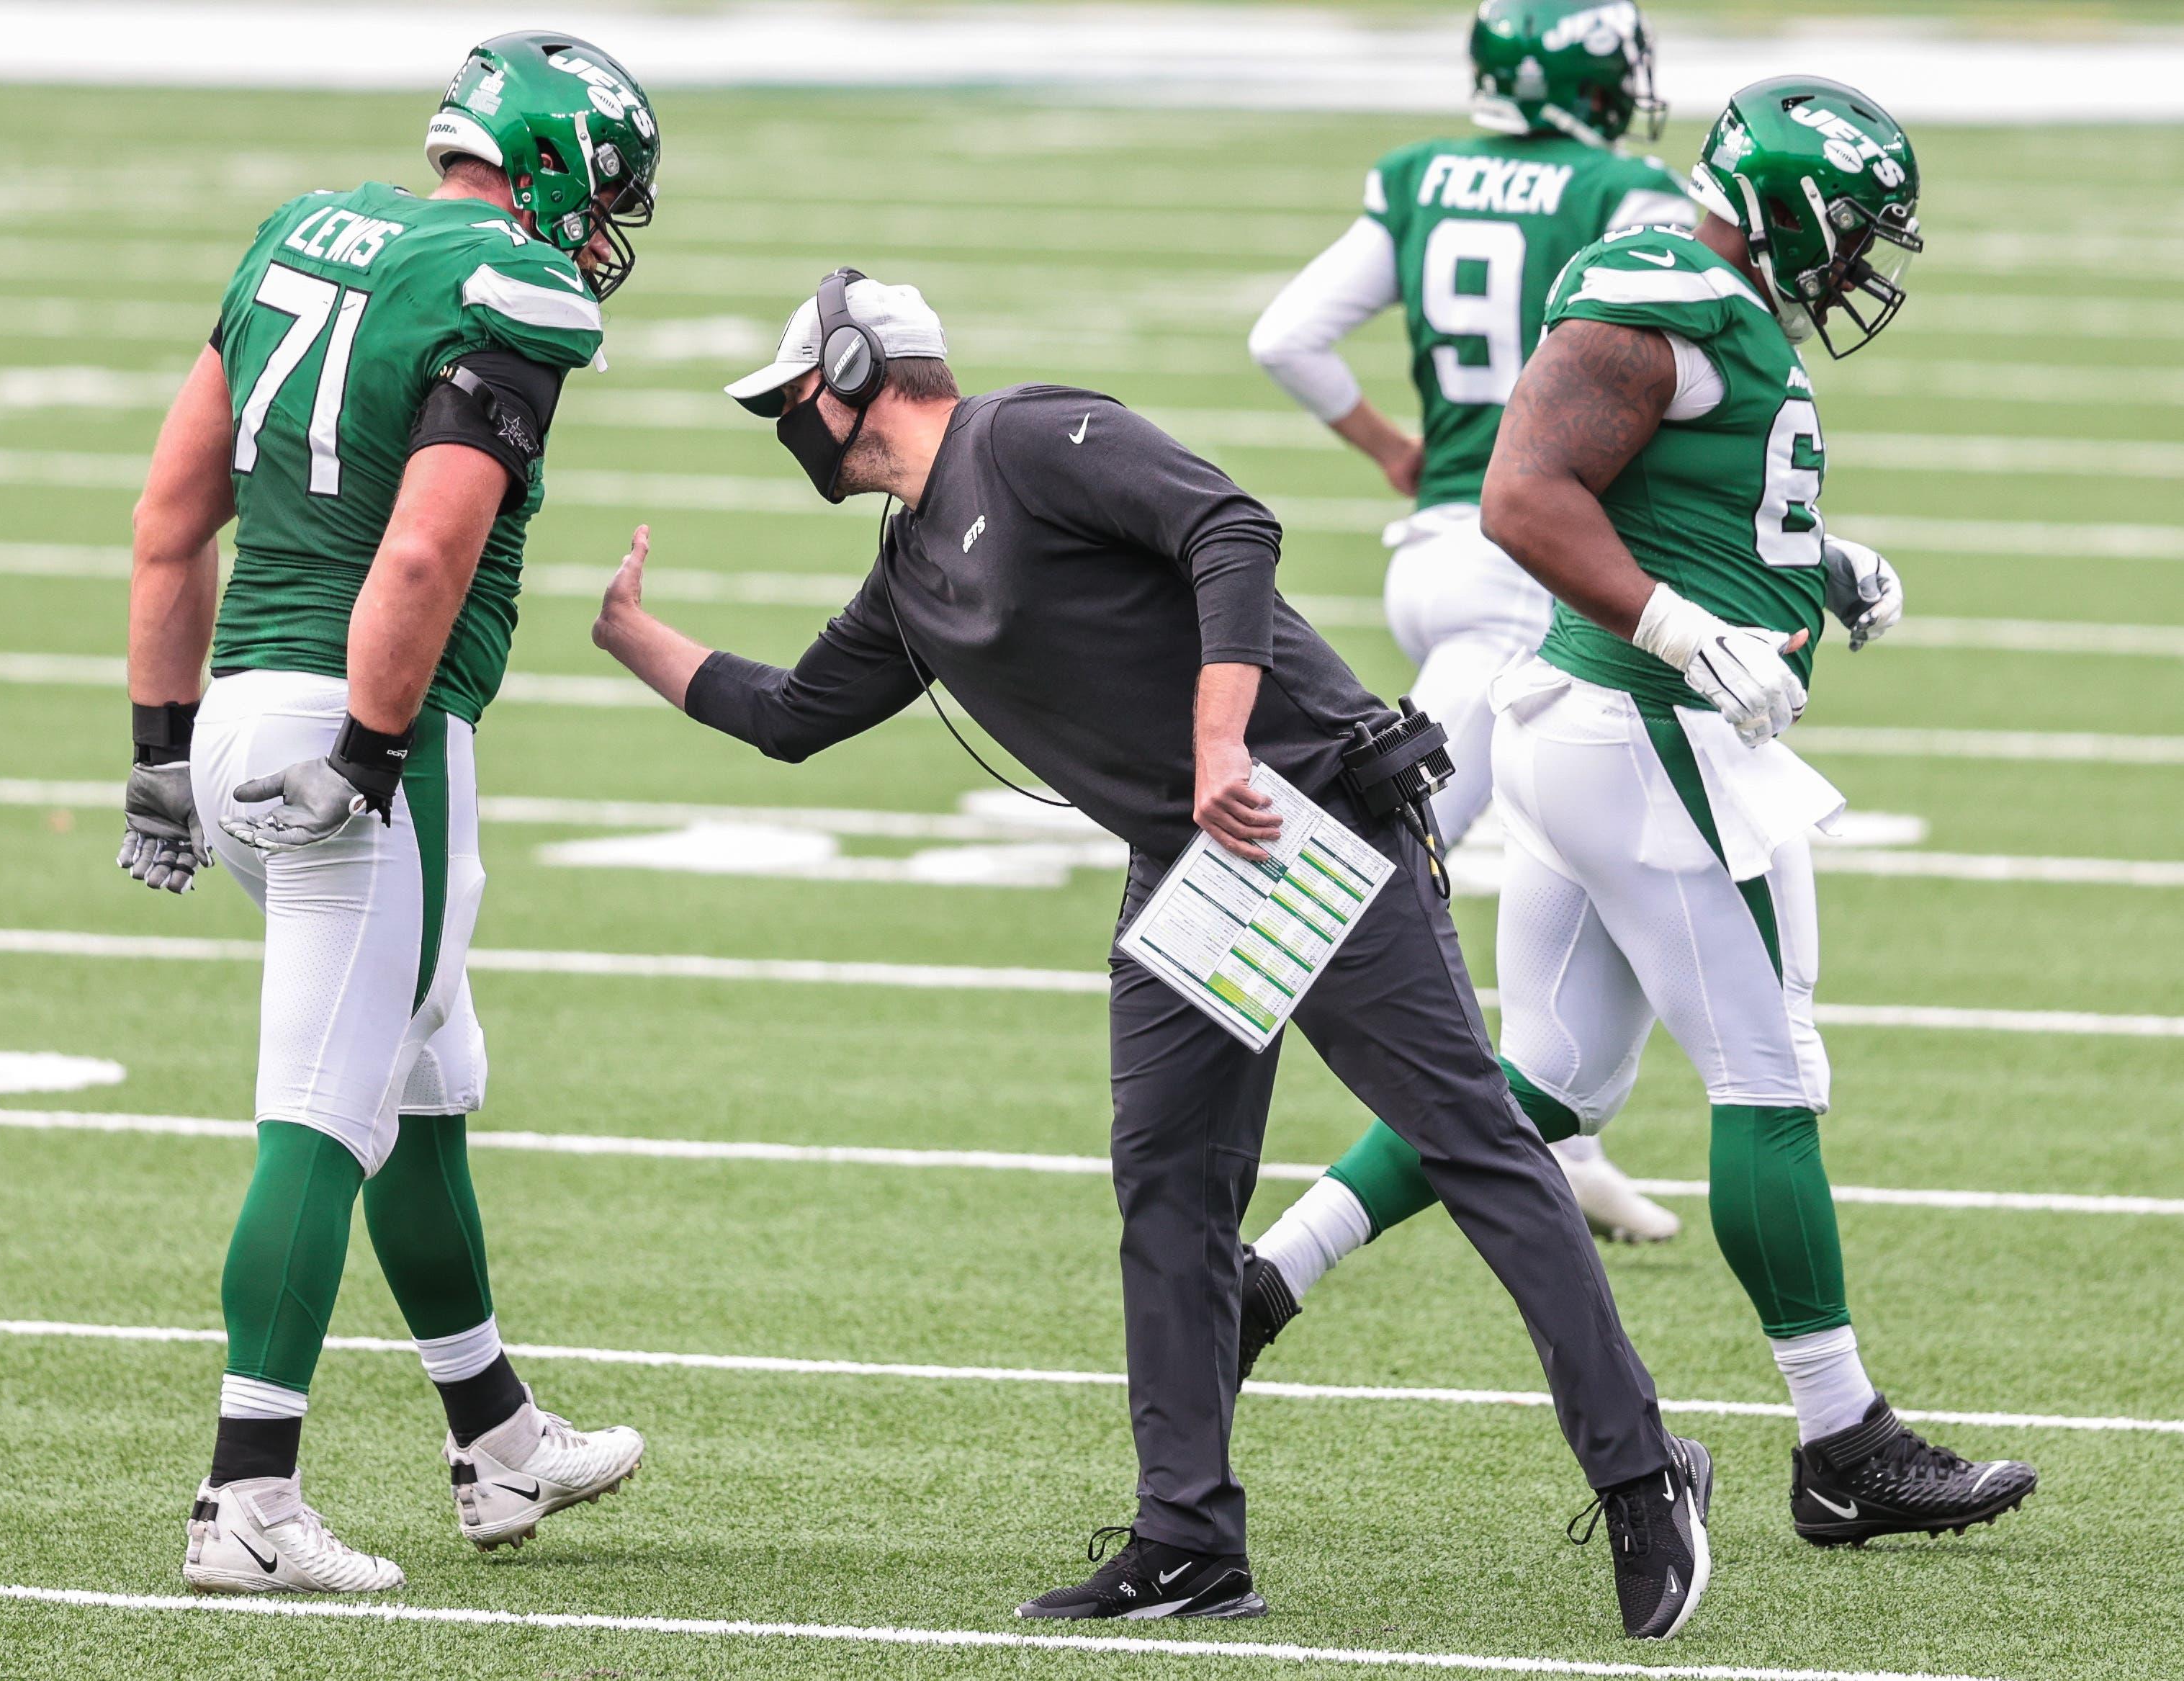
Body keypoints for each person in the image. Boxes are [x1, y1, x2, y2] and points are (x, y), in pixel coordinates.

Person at [590, 270, 1714, 1639]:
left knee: (1471, 1140)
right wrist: (631, 636)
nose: (785, 424)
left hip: (1306, 815)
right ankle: (1188, 1538)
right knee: (1168, 1191)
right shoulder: (907, 566)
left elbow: (1231, 527)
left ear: (851, 370)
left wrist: (1216, 736)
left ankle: (1643, 1470)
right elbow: (787, 716)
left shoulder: (1025, 434)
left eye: (790, 398)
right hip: (1186, 871)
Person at [1254, 75, 2039, 1548]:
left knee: (1548, 1083)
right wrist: (1683, 630)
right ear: (1795, 203)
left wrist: (1816, 567)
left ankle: (1269, 1276)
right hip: (1645, 726)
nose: (1861, 262)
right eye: (1858, 230)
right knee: (1770, 1072)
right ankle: (1840, 1442)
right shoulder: (1650, 294)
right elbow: (1523, 496)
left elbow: (1680, 492)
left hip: (1592, 727)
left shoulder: (1701, 295)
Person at [117, 31, 661, 1594]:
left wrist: (159, 755)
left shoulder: (303, 231)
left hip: (230, 720)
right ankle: (248, 1504)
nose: (601, 234)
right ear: (552, 167)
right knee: (325, 1108)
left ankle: (496, 1439)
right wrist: (372, 749)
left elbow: (167, 524)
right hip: (362, 738)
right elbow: (419, 561)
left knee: (424, 1070)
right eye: (603, 193)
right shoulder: (505, 291)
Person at [1248, 0, 1694, 1254]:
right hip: (1528, 572)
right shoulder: (1620, 192)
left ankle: (1573, 1133)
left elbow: (1286, 336)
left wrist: (1391, 445)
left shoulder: (1421, 176)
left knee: (1581, 834)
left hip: (1444, 542)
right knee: (1367, 848)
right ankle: (1193, 1011)